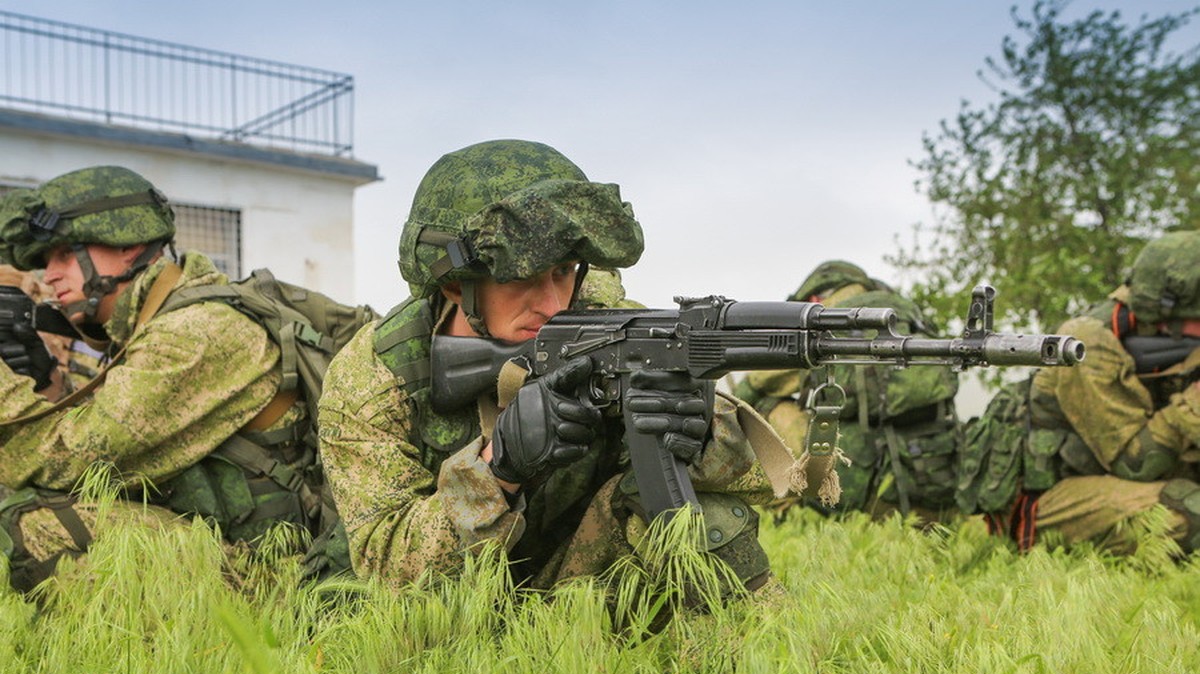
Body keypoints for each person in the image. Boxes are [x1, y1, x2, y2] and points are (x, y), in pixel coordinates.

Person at [317, 139, 786, 596]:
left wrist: (701, 436)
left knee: (707, 519)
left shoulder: (615, 326)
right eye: (521, 277)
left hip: (562, 583)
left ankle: (776, 670)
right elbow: (389, 567)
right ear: (458, 287)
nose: (551, 303)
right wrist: (498, 469)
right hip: (427, 612)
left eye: (563, 272)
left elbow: (762, 486)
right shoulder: (375, 378)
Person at [0, 166, 329, 590]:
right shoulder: (152, 323)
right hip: (235, 548)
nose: (50, 275)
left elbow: (70, 462)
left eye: (64, 254)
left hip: (276, 577)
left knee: (32, 523)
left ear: (129, 245)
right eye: (47, 262)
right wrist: (40, 372)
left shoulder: (194, 332)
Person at [969, 231, 1200, 553]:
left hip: (1119, 484)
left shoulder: (1163, 338)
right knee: (1190, 510)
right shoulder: (1087, 343)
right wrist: (1192, 404)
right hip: (1047, 499)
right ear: (1168, 312)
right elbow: (1136, 465)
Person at [734, 260, 960, 521]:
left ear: (815, 294)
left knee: (765, 408)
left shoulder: (825, 316)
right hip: (936, 483)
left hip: (859, 491)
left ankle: (787, 506)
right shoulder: (908, 315)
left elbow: (760, 381)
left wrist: (727, 413)